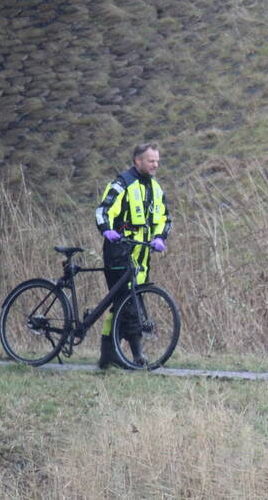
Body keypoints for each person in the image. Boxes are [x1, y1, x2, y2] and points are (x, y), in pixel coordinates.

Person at [94, 142, 172, 368]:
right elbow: (103, 210)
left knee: (126, 303)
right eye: (151, 161)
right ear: (138, 161)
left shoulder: (155, 188)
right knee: (128, 303)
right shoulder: (121, 184)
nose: (155, 165)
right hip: (118, 251)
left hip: (142, 255)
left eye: (157, 161)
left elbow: (165, 218)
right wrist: (107, 230)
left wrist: (160, 237)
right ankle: (137, 355)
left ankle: (108, 355)